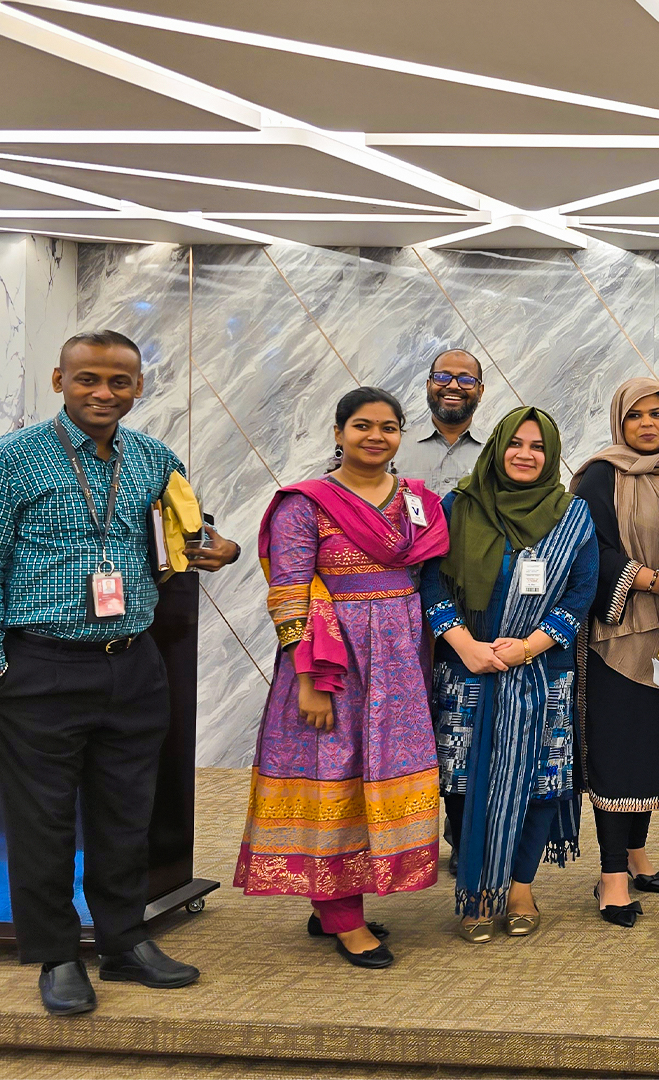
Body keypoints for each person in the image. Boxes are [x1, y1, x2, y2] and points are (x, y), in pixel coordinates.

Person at [0, 330, 240, 1015]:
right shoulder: (9, 460)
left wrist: (220, 549)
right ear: (60, 381)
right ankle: (56, 955)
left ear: (138, 386)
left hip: (132, 663)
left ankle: (123, 943)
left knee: (126, 814)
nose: (103, 392)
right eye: (88, 379)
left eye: (119, 381)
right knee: (43, 821)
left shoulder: (154, 457)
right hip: (38, 665)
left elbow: (185, 533)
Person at [234, 386, 449, 969]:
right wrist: (309, 680)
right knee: (333, 774)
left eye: (388, 427)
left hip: (399, 662)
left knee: (377, 775)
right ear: (338, 432)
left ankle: (331, 898)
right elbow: (290, 592)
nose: (375, 437)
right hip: (332, 661)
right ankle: (342, 918)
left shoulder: (417, 501)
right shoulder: (305, 504)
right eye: (362, 425)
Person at [423, 406, 597, 940]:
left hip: (542, 671)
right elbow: (430, 581)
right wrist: (464, 644)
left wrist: (528, 647)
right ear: (497, 448)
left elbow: (581, 592)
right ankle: (475, 889)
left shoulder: (573, 515)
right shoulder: (458, 506)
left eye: (538, 446)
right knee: (462, 781)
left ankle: (521, 888)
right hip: (467, 670)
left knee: (541, 780)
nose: (525, 454)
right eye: (516, 443)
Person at [572, 378, 659, 927]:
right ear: (618, 422)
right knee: (618, 754)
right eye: (634, 416)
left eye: (656, 413)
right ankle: (611, 880)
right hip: (622, 632)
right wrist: (654, 580)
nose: (647, 424)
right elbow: (589, 548)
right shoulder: (601, 475)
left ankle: (635, 854)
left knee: (650, 749)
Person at [394, 349, 486, 494]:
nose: (453, 386)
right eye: (442, 377)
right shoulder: (396, 446)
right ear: (428, 386)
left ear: (480, 392)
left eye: (466, 380)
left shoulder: (494, 452)